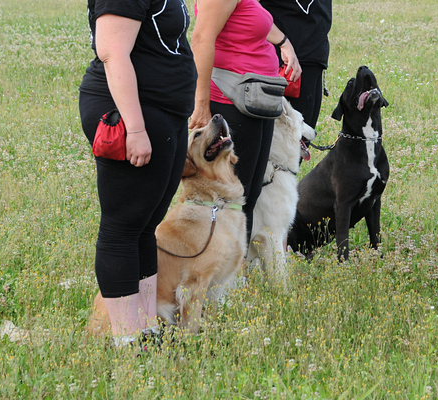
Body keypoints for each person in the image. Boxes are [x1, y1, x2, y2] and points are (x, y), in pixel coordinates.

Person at [78, 0, 196, 346]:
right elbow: (113, 53)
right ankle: (126, 339)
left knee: (145, 225)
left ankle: (148, 329)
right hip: (132, 114)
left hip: (163, 111)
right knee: (122, 227)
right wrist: (137, 129)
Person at [188, 0, 301, 241]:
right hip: (231, 101)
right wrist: (201, 105)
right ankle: (222, 271)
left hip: (256, 100)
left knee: (248, 194)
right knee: (231, 199)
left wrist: (284, 43)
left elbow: (251, 20)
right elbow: (201, 39)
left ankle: (237, 271)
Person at [260, 0, 332, 128]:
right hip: (284, 62)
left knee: (304, 137)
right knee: (286, 139)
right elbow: (250, 8)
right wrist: (283, 43)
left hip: (314, 56)